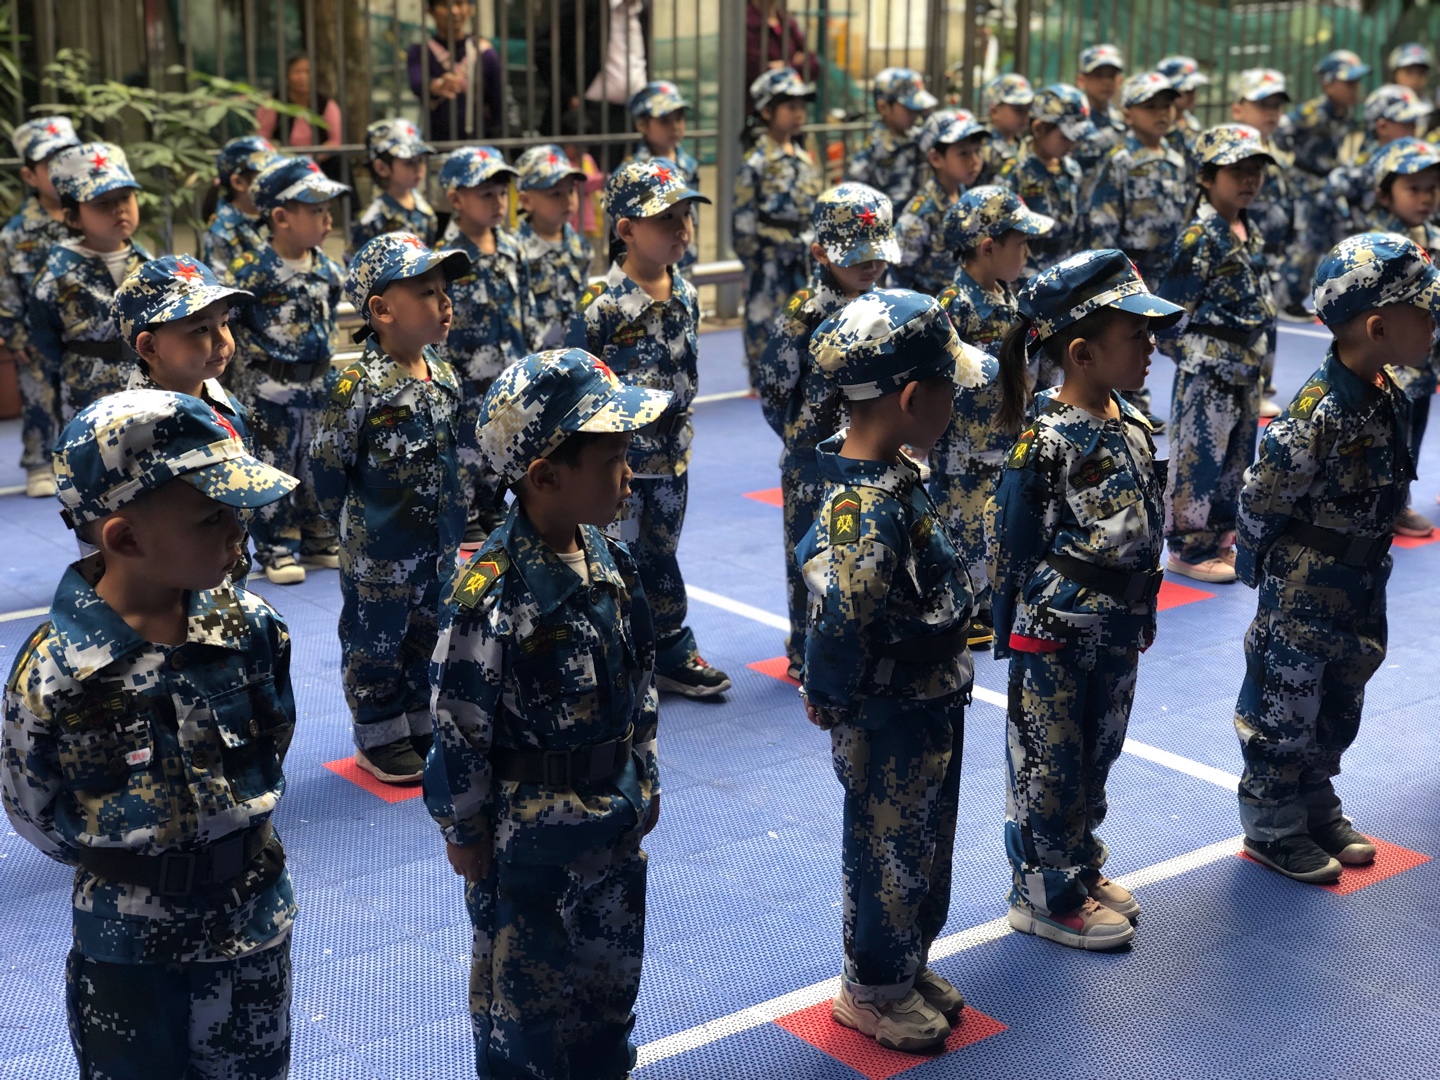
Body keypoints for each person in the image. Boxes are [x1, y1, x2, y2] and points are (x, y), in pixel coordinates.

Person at [1, 388, 299, 1080]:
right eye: (212, 517)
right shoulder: (56, 673)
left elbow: (273, 737)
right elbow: (34, 809)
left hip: (250, 917)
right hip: (128, 945)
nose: (238, 533)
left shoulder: (251, 629)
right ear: (126, 539)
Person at [425, 348, 669, 1080]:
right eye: (612, 460)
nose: (629, 474)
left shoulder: (610, 561)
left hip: (612, 819)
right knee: (523, 1014)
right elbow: (458, 724)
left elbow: (641, 682)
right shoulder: (492, 592)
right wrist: (465, 830)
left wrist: (645, 774)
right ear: (545, 476)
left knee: (608, 994)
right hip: (528, 844)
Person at [797, 288, 981, 1053]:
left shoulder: (896, 476)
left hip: (926, 700)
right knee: (889, 853)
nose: (957, 403)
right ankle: (872, 987)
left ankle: (905, 963)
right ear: (911, 399)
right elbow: (842, 621)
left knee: (925, 847)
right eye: (949, 389)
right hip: (890, 713)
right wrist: (829, 696)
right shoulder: (863, 510)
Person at [987, 249, 1181, 950]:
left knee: (1098, 752)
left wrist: (1141, 610)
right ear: (1083, 352)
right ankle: (1045, 893)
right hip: (1058, 631)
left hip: (1117, 623)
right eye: (1137, 333)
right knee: (1050, 763)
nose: (1151, 345)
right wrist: (1015, 631)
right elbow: (1012, 544)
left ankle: (1079, 862)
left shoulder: (1128, 420)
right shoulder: (1047, 442)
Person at [1232, 232, 1437, 882]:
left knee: (1339, 701)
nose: (1434, 325)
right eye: (1425, 314)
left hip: (1361, 577)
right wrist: (1258, 573)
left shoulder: (1387, 391)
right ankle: (1272, 825)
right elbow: (1260, 497)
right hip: (1304, 586)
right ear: (1379, 327)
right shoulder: (1317, 413)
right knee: (1285, 709)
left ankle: (1315, 803)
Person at [565, 158, 732, 697]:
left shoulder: (685, 294)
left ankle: (669, 648)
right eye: (666, 219)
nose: (682, 229)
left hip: (672, 459)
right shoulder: (600, 308)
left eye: (686, 217)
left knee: (661, 553)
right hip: (618, 464)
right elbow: (576, 389)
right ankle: (610, 653)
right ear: (627, 230)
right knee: (609, 557)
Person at [310, 232, 469, 785]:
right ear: (381, 310)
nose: (444, 302)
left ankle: (418, 720)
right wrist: (356, 530)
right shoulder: (357, 386)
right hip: (379, 551)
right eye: (426, 292)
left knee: (427, 636)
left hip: (436, 547)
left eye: (444, 290)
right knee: (375, 644)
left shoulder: (443, 374)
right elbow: (328, 466)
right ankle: (378, 735)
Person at [756, 182, 898, 681]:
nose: (871, 265)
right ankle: (805, 651)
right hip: (812, 465)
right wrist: (801, 438)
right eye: (857, 256)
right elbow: (773, 388)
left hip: (869, 458)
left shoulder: (885, 309)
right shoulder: (805, 315)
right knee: (808, 556)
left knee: (859, 552)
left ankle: (855, 646)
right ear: (821, 253)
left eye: (878, 254)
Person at [1153, 125, 1277, 584]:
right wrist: (1197, 358)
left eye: (1256, 169)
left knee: (1234, 462)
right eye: (1237, 170)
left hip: (1245, 367)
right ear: (1206, 177)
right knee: (1198, 462)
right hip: (1208, 370)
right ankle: (1188, 547)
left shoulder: (1247, 229)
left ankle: (1221, 538)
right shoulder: (1198, 238)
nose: (1249, 179)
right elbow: (1169, 315)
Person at [934, 185, 1054, 644]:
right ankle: (963, 609)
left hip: (1004, 442)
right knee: (964, 529)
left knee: (994, 525)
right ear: (988, 247)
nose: (1027, 253)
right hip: (965, 451)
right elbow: (938, 378)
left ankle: (986, 602)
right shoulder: (955, 305)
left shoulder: (1008, 297)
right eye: (1020, 243)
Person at [224, 154, 349, 585]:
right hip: (269, 392)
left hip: (318, 387)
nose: (327, 220)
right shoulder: (250, 273)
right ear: (280, 217)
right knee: (272, 469)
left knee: (317, 465)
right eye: (316, 211)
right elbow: (232, 327)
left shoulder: (328, 269)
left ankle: (318, 536)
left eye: (327, 210)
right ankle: (277, 546)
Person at [436, 146, 533, 545]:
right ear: (456, 199)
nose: (498, 202)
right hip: (465, 374)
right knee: (464, 447)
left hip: (507, 371)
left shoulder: (512, 248)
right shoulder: (444, 256)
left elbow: (525, 306)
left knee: (502, 442)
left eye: (501, 193)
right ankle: (466, 513)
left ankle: (492, 504)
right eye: (485, 194)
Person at [1087, 70, 1189, 428]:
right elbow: (1103, 218)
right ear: (1128, 113)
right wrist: (1111, 272)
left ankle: (1137, 401)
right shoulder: (1120, 160)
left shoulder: (1176, 160)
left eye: (1166, 105)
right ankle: (1123, 404)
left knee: (1152, 338)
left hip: (1165, 265)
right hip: (1131, 266)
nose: (1161, 113)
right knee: (1127, 337)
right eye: (1150, 106)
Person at [29, 142, 151, 424]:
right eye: (102, 202)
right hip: (87, 392)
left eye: (125, 196)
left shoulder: (148, 264)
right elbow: (46, 338)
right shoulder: (57, 275)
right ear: (72, 217)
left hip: (146, 385)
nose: (119, 209)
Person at [1363, 137, 1440, 538]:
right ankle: (1376, 507)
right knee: (1380, 439)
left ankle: (1398, 504)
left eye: (1432, 188)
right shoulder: (1375, 246)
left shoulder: (1435, 238)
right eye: (1413, 188)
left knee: (1412, 438)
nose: (1425, 197)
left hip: (1424, 364)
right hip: (1386, 365)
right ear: (1384, 194)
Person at [0, 116, 80, 498]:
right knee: (38, 397)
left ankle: (83, 459)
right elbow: (6, 289)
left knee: (84, 395)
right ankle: (39, 463)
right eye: (51, 164)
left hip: (83, 332)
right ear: (30, 176)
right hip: (35, 335)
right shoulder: (16, 233)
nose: (63, 171)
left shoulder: (89, 217)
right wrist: (14, 335)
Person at [734, 67, 824, 387]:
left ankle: (797, 374)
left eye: (801, 106)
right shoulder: (757, 161)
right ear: (767, 111)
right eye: (790, 106)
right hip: (768, 256)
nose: (799, 113)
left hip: (801, 254)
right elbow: (743, 218)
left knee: (803, 316)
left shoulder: (804, 158)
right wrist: (755, 259)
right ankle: (761, 379)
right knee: (763, 317)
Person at [1277, 49, 1370, 321]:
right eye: (1348, 83)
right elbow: (1282, 130)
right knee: (1305, 242)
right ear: (1328, 84)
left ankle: (1337, 298)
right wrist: (1293, 161)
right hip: (1305, 184)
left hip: (1327, 183)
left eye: (1356, 82)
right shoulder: (1313, 112)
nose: (1355, 88)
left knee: (1333, 237)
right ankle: (1289, 301)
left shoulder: (1346, 114)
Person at [1232, 69, 1300, 419]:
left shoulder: (1279, 152)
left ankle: (1261, 384)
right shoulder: (1232, 156)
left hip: (1272, 256)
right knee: (1246, 322)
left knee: (1268, 321)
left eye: (1276, 105)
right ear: (1238, 108)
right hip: (1241, 254)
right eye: (1262, 104)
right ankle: (1246, 385)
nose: (1271, 112)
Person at [997, 84, 1094, 279]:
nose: (1072, 145)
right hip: (1027, 274)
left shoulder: (1072, 169)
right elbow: (1002, 233)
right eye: (1065, 138)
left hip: (1068, 271)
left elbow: (1081, 226)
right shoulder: (1016, 172)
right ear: (1039, 129)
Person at [893, 110, 988, 295]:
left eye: (977, 151)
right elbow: (898, 274)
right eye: (963, 153)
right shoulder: (920, 213)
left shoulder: (967, 199)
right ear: (936, 158)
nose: (975, 161)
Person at [516, 144, 594, 350]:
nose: (568, 200)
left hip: (576, 355)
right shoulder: (516, 252)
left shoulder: (581, 248)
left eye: (571, 190)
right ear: (526, 200)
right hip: (534, 359)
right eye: (555, 194)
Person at [625, 80, 700, 270]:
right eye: (665, 120)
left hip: (683, 261)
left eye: (679, 118)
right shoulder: (632, 172)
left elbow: (693, 217)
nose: (675, 126)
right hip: (647, 267)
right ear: (642, 124)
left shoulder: (689, 166)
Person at [407, 0, 506, 144]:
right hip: (436, 144)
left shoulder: (485, 53)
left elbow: (498, 101)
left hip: (481, 146)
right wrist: (437, 86)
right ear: (430, 11)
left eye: (459, 3)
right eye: (444, 5)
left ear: (469, 8)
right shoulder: (419, 51)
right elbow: (417, 83)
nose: (454, 11)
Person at [846, 68, 939, 206]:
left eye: (918, 108)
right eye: (909, 108)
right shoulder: (873, 149)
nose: (915, 114)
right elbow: (851, 198)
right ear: (883, 107)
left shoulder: (918, 138)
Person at [350, 119, 438, 253]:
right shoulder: (372, 219)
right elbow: (355, 262)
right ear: (381, 168)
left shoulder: (424, 209)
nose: (418, 169)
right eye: (409, 163)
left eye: (420, 160)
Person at [200, 136, 282, 278]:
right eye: (266, 174)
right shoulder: (221, 231)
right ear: (238, 182)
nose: (276, 180)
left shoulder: (276, 213)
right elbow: (219, 284)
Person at [255, 55, 343, 177]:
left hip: (320, 163)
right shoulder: (273, 103)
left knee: (339, 162)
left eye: (308, 72)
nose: (303, 77)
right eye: (297, 72)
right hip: (282, 162)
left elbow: (334, 142)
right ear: (287, 75)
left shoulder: (326, 104)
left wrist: (308, 159)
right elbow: (262, 138)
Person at [1073, 43, 1127, 207]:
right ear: (1081, 80)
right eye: (1098, 75)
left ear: (1119, 80)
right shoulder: (1071, 122)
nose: (1106, 81)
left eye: (1111, 75)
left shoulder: (1123, 122)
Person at [745, 0, 821, 115]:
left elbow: (814, 66)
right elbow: (755, 70)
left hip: (792, 109)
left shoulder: (787, 21)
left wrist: (784, 66)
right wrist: (794, 65)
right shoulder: (744, 22)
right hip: (757, 113)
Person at [977, 74, 1034, 184]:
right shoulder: (982, 147)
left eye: (1028, 109)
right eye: (1019, 109)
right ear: (994, 111)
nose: (1025, 115)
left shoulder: (1024, 145)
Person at [1157, 55, 1210, 167]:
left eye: (1194, 88)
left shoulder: (1192, 123)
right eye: (1186, 90)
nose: (1192, 94)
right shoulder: (1158, 125)